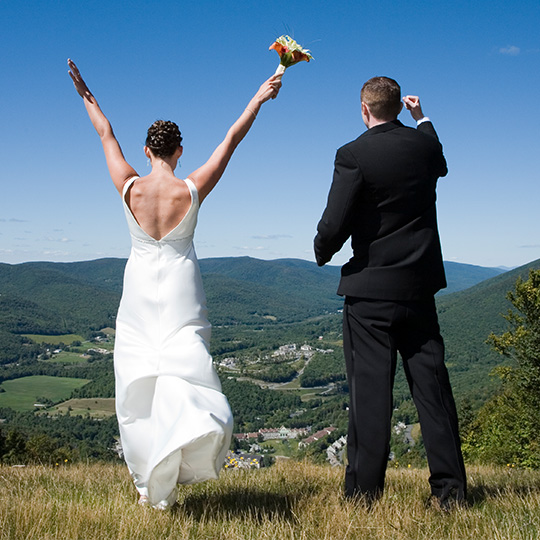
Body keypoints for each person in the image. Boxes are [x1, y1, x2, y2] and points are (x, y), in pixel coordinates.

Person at [68, 59, 281, 509]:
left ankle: (149, 479)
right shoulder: (192, 188)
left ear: (147, 150)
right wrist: (258, 99)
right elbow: (231, 140)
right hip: (184, 284)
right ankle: (179, 450)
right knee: (184, 368)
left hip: (140, 286)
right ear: (179, 151)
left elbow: (105, 133)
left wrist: (86, 93)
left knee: (137, 379)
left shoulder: (129, 187)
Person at [314, 76, 466, 507]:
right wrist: (424, 120)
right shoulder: (424, 147)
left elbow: (335, 220)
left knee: (370, 396)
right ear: (399, 107)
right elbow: (440, 160)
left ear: (364, 109)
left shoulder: (353, 154)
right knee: (433, 391)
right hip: (420, 291)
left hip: (370, 295)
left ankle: (363, 496)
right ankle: (450, 493)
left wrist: (322, 249)